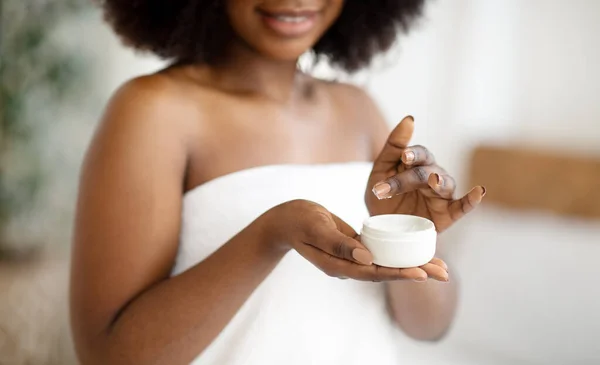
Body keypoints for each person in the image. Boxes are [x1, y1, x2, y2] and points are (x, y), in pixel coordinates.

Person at [69, 1, 485, 364]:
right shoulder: (154, 110)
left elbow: (431, 327)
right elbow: (109, 355)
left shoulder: (358, 110)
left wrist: (407, 244)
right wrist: (270, 235)